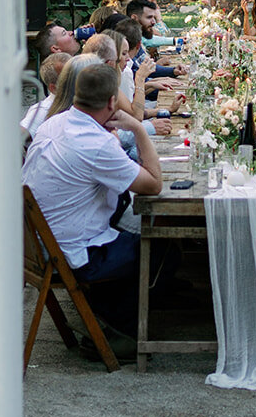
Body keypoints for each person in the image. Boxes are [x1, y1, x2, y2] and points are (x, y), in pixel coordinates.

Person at [21, 60, 163, 343]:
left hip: (37, 243)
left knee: (132, 226)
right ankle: (115, 329)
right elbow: (154, 184)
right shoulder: (96, 144)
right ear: (112, 102)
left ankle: (114, 306)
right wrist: (136, 127)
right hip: (72, 253)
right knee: (159, 242)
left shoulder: (54, 123)